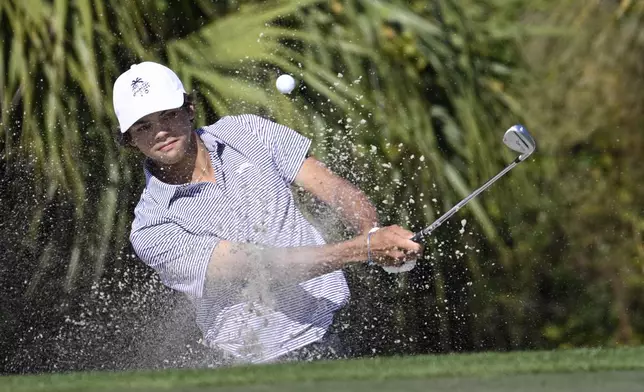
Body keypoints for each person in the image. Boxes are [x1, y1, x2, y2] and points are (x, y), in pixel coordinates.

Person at [112, 61, 423, 364]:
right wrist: (365, 249)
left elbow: (332, 187)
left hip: (335, 323)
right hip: (258, 362)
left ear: (189, 109)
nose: (160, 133)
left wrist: (370, 229)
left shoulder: (246, 131)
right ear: (130, 140)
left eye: (167, 115)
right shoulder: (151, 228)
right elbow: (260, 267)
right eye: (143, 126)